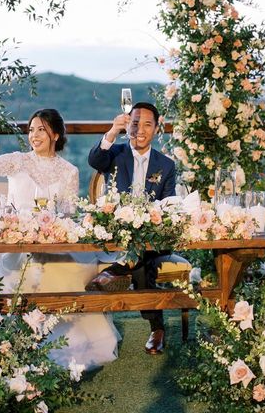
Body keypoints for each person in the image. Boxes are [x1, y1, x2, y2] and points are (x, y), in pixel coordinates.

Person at [0, 108, 120, 370]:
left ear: (55, 134)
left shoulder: (69, 171)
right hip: (14, 245)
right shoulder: (17, 161)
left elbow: (68, 214)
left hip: (51, 246)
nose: (34, 135)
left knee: (67, 275)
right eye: (31, 130)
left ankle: (58, 339)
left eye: (41, 129)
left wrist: (52, 230)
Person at [87, 101, 176, 355]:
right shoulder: (115, 154)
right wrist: (113, 131)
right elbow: (95, 159)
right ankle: (157, 328)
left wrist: (154, 220)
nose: (140, 129)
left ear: (156, 129)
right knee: (142, 260)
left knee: (144, 252)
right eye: (135, 123)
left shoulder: (166, 165)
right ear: (129, 125)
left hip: (154, 236)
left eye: (147, 124)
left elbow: (169, 204)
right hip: (120, 235)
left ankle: (116, 270)